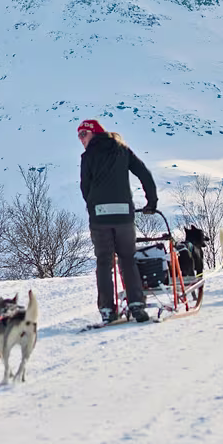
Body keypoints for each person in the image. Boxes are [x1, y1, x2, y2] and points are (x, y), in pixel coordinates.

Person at [77, 119, 159, 324]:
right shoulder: (122, 150)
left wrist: (93, 205)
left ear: (94, 133)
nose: (81, 139)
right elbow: (144, 173)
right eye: (79, 136)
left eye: (83, 134)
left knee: (104, 262)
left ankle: (107, 310)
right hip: (123, 215)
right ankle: (136, 305)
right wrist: (151, 202)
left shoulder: (88, 156)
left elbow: (85, 186)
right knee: (127, 259)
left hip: (100, 217)